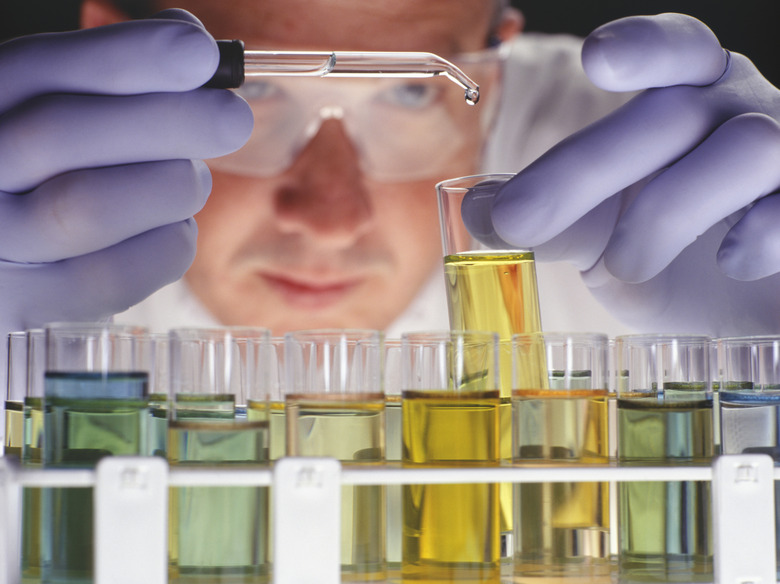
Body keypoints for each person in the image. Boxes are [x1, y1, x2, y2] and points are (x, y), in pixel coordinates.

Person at [1, 0, 779, 358]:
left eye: (409, 91)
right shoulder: (23, 192)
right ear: (108, 37)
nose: (329, 215)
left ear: (496, 66)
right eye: (256, 86)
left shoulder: (643, 149)